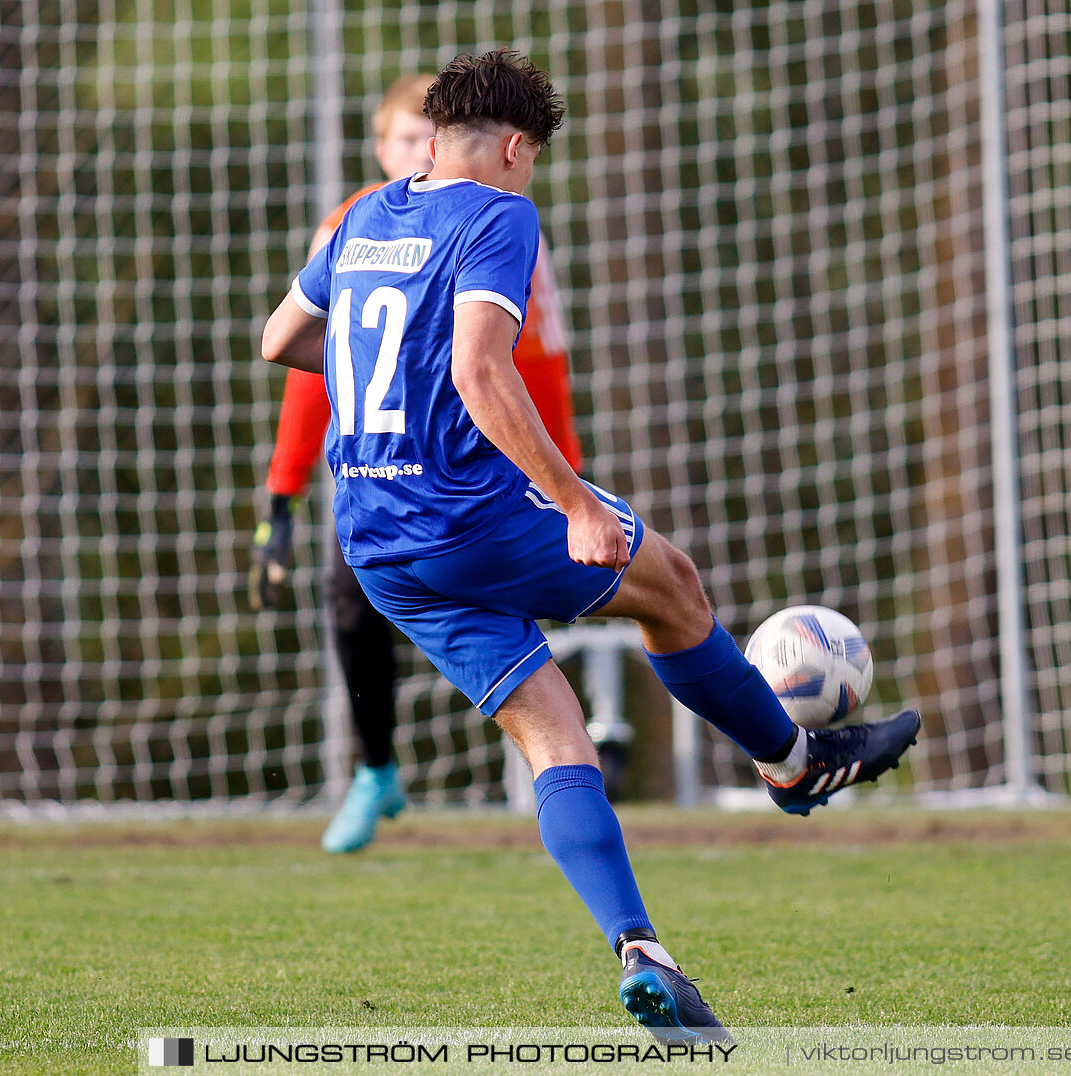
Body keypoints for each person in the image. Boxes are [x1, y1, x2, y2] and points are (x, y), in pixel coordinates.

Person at [260, 49, 920, 1040]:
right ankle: (792, 762)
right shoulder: (498, 214)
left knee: (554, 735)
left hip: (376, 541)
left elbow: (280, 339)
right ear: (517, 148)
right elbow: (485, 372)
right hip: (469, 515)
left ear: (434, 132)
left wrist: (384, 367)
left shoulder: (361, 218)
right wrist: (571, 500)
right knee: (674, 585)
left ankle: (640, 946)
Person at [248, 74, 585, 855]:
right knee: (348, 599)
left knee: (514, 615)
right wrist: (282, 495)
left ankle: (556, 766)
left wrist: (568, 483)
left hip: (480, 475)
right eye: (399, 141)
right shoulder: (353, 225)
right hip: (378, 471)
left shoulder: (499, 227)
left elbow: (537, 360)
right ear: (384, 147)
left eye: (420, 141)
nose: (414, 155)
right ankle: (375, 770)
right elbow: (306, 367)